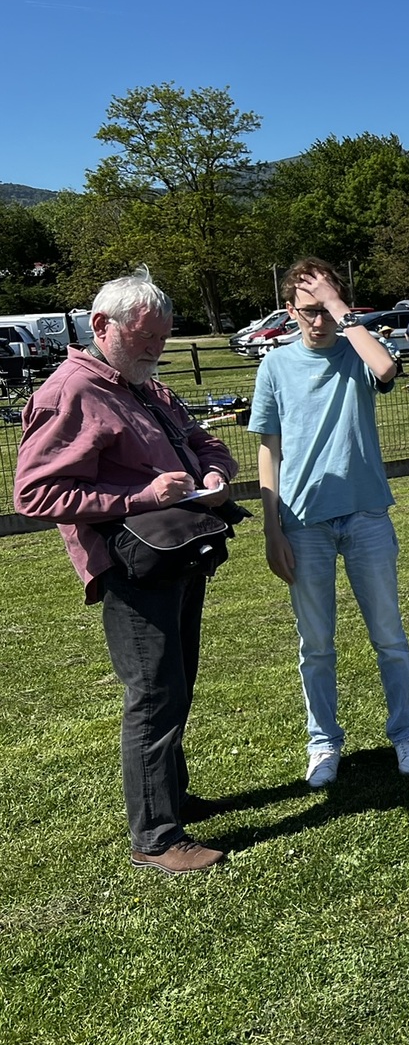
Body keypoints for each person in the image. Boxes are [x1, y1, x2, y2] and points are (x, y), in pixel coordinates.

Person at [13, 266, 239, 875]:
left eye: (162, 341)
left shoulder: (146, 386)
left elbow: (203, 441)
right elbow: (35, 494)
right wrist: (143, 497)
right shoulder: (72, 392)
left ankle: (168, 796)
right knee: (154, 693)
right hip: (132, 566)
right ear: (101, 327)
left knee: (177, 683)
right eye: (145, 342)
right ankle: (158, 837)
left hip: (177, 552)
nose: (155, 353)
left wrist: (215, 474)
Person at [249, 257, 409, 788]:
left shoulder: (355, 349)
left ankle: (406, 733)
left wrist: (338, 304)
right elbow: (268, 447)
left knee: (389, 635)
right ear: (288, 311)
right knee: (316, 644)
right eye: (306, 311)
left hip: (367, 513)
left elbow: (388, 369)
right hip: (303, 521)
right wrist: (271, 527)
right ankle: (323, 741)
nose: (317, 321)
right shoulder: (275, 366)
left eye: (324, 309)